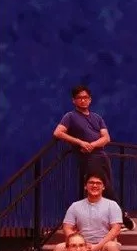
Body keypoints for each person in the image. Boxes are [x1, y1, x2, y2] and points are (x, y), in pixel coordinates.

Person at [36, 174, 125, 251]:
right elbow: (67, 227)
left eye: (98, 183)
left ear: (103, 187)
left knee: (113, 246)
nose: (94, 185)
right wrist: (81, 244)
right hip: (81, 248)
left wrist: (97, 247)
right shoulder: (75, 206)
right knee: (59, 248)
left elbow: (116, 229)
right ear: (85, 186)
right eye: (91, 183)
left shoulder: (112, 205)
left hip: (102, 248)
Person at [53, 85, 124, 216]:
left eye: (85, 97)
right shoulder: (70, 116)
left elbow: (106, 138)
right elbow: (58, 133)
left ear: (90, 99)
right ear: (74, 100)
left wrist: (92, 144)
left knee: (107, 185)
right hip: (88, 158)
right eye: (79, 98)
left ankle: (111, 216)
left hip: (102, 156)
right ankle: (121, 215)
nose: (83, 100)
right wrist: (80, 142)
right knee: (98, 186)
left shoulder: (97, 117)